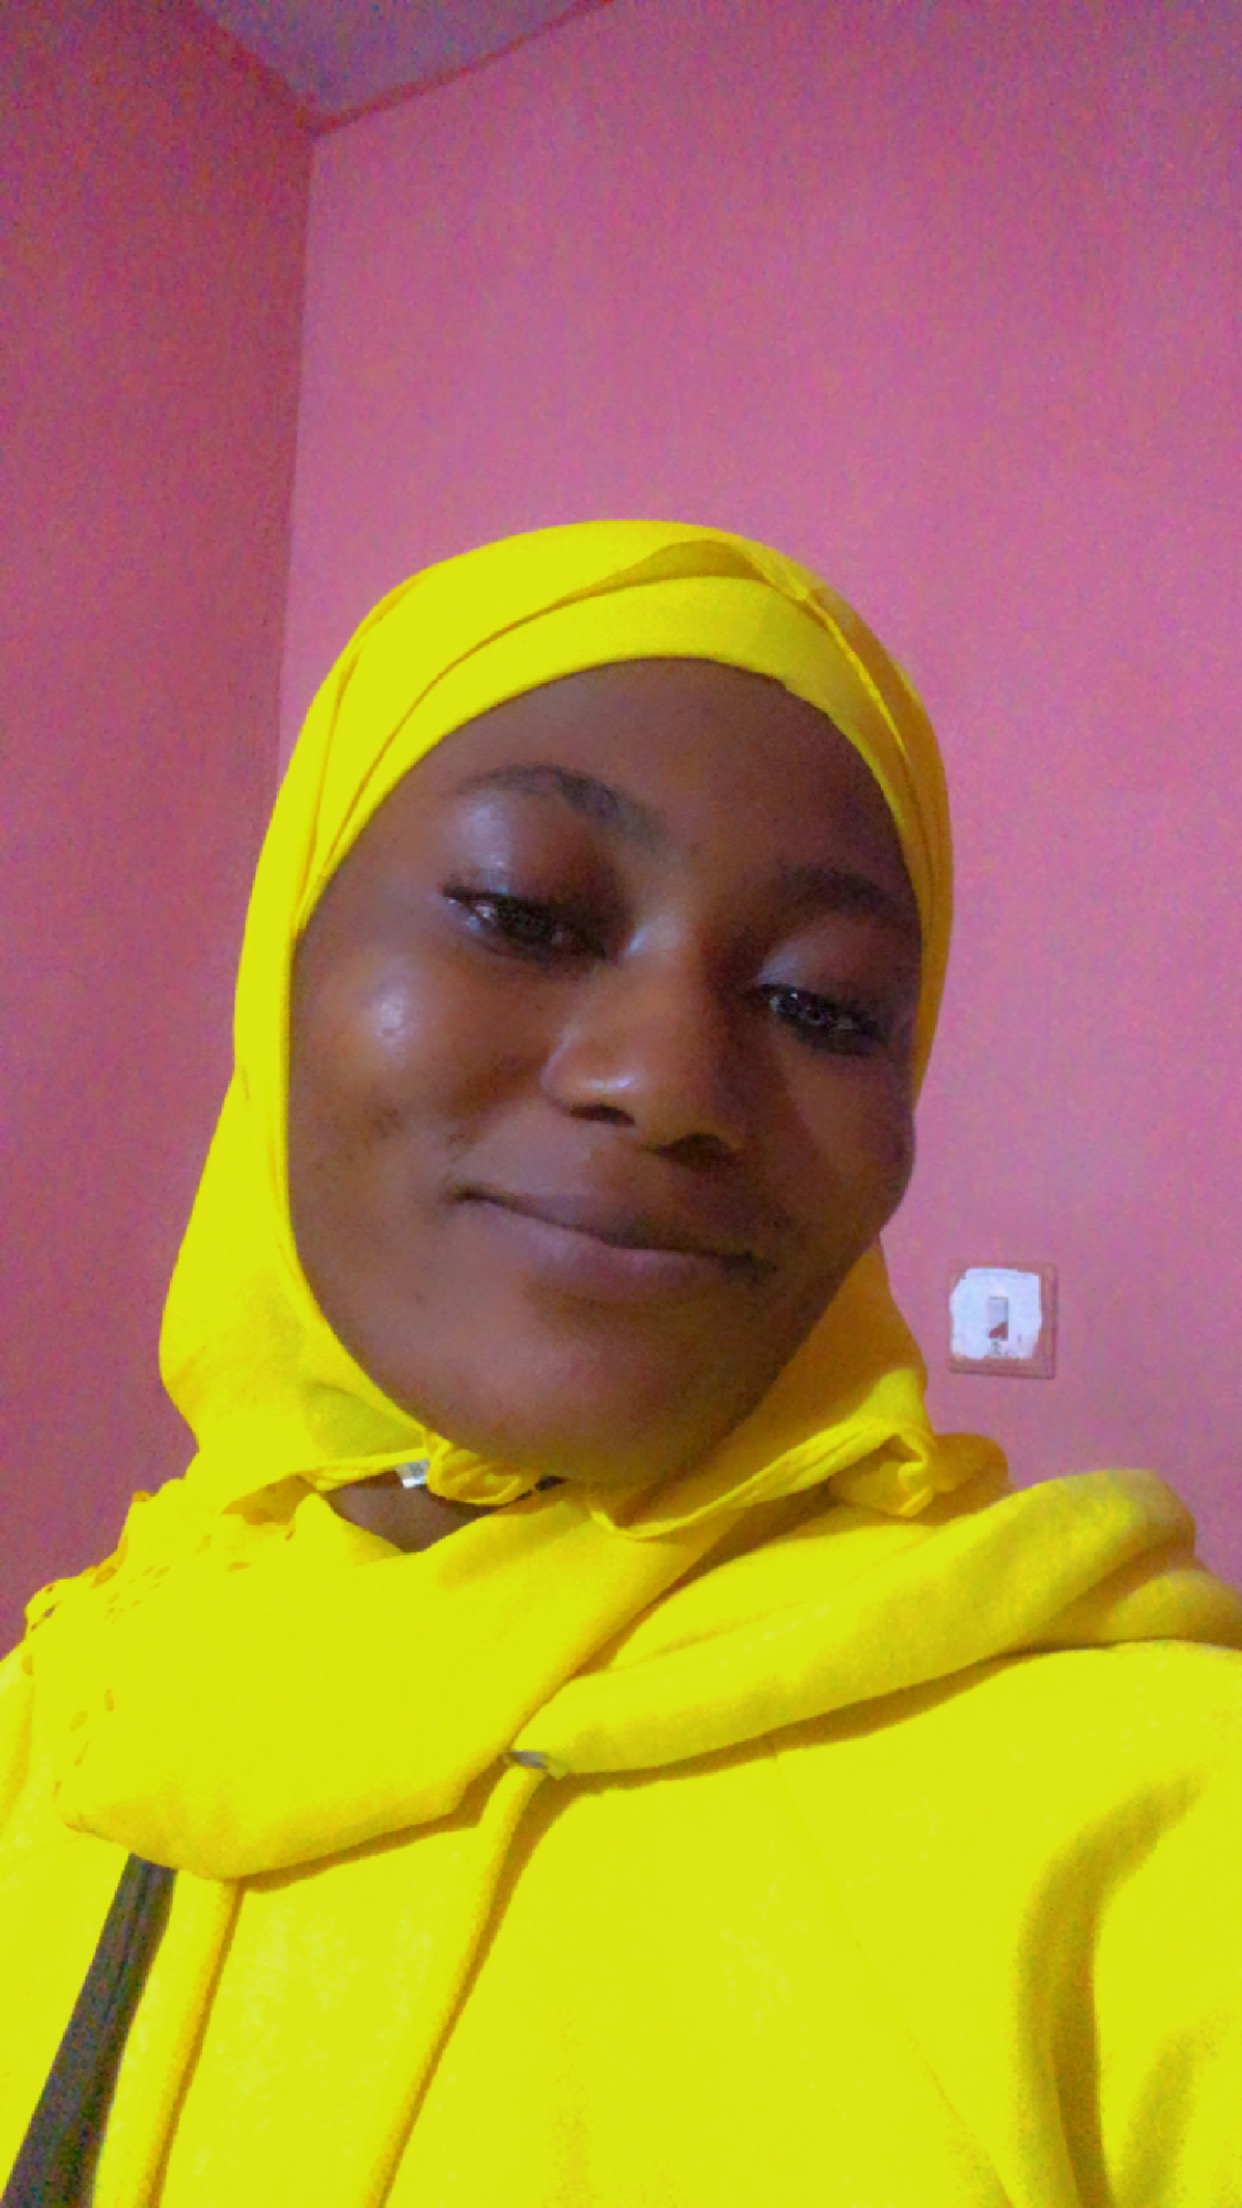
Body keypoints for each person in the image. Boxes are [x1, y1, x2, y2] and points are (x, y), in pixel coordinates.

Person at [1, 521, 1239, 2208]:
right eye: (522, 915)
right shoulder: (82, 1709)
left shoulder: (1138, 1827)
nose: (666, 1083)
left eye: (821, 1006)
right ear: (281, 964)